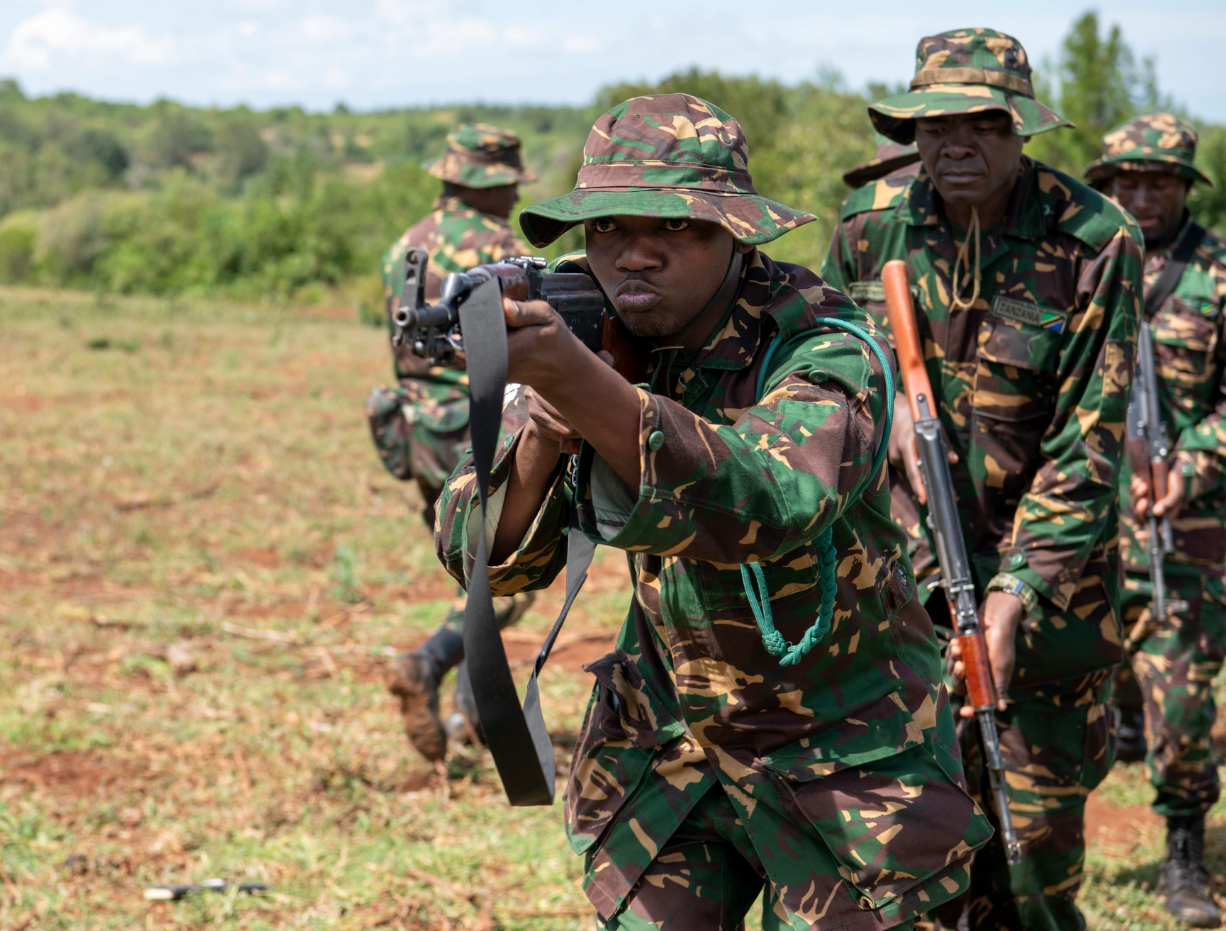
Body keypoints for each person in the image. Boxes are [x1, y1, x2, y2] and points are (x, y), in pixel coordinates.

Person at [436, 92, 992, 931]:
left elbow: (767, 503)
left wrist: (583, 385)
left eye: (675, 226)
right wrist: (546, 425)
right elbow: (479, 552)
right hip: (673, 747)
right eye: (608, 227)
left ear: (734, 229)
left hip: (846, 750)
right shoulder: (587, 323)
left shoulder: (823, 342)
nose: (635, 254)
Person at [822, 29, 1144, 931]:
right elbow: (825, 370)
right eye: (935, 127)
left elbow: (1090, 442)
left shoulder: (1093, 238)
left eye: (982, 125)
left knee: (1030, 854)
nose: (955, 145)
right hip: (897, 589)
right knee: (911, 854)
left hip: (1047, 597)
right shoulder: (870, 224)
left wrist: (1013, 594)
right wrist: (880, 408)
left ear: (1021, 129)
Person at [1087, 113, 1226, 928]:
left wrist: (1191, 464)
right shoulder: (1077, 263)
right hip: (1080, 525)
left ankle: (1182, 845)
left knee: (1182, 701)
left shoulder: (1217, 273)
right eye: (1126, 182)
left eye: (1159, 182)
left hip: (1186, 531)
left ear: (1184, 187)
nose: (1141, 197)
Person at [368, 124, 537, 762]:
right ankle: (428, 663)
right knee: (509, 575)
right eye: (508, 183)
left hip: (415, 427)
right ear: (485, 184)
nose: (513, 194)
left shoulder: (404, 245)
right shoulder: (499, 248)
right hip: (480, 427)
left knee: (469, 572)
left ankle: (475, 717)